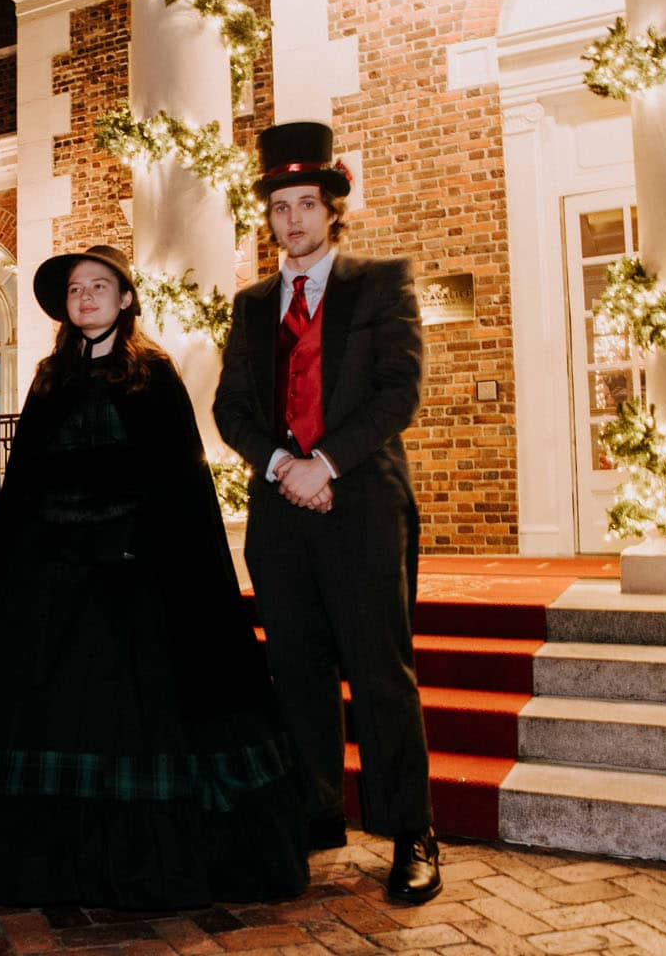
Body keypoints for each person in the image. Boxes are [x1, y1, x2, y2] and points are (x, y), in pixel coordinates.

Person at [0, 245, 309, 909]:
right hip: (49, 575)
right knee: (49, 706)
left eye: (99, 286)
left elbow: (178, 481)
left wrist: (140, 539)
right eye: (75, 289)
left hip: (135, 574)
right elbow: (26, 477)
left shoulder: (153, 375)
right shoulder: (48, 378)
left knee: (130, 709)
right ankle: (52, 856)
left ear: (125, 299)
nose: (85, 297)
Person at [212, 121, 440, 904]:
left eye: (307, 203)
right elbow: (231, 408)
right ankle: (315, 816)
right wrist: (283, 467)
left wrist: (325, 463)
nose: (293, 219)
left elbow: (399, 392)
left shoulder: (379, 284)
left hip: (362, 502)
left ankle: (412, 831)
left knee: (380, 670)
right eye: (281, 207)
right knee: (298, 671)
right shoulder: (250, 306)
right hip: (281, 513)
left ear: (332, 209)